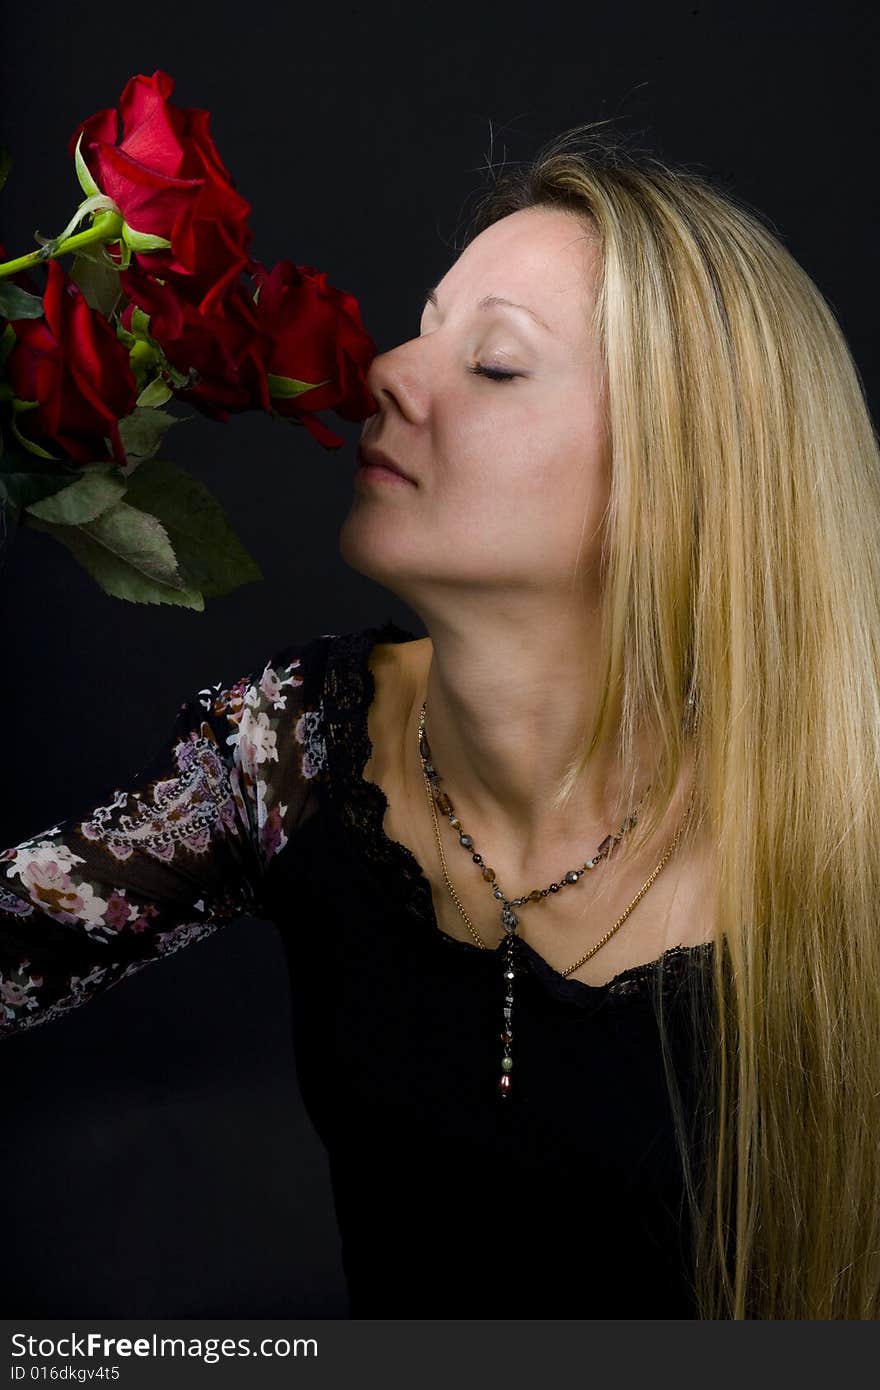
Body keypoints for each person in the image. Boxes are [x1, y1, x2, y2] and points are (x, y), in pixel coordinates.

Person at [2, 123, 879, 1321]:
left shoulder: (848, 823)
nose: (387, 371)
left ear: (675, 486)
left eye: (497, 364)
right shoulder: (290, 746)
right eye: (428, 324)